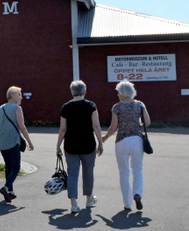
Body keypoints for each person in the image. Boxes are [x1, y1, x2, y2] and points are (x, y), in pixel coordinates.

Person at [102, 80, 151, 211]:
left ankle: (127, 204)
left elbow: (113, 127)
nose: (117, 95)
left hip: (121, 141)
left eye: (118, 92)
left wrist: (105, 138)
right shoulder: (140, 105)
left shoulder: (117, 107)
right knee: (138, 170)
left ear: (122, 94)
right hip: (137, 140)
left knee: (124, 172)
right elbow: (147, 121)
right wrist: (138, 126)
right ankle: (137, 194)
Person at [56, 80, 104, 213]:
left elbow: (63, 128)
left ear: (72, 92)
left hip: (70, 145)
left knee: (72, 173)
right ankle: (89, 200)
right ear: (84, 91)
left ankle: (74, 204)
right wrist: (100, 142)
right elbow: (96, 125)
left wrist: (58, 145)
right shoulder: (91, 105)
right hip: (88, 144)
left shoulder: (66, 107)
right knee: (88, 172)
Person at [0, 86, 34, 202]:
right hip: (13, 141)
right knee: (16, 167)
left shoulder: (1, 108)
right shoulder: (17, 108)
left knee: (8, 166)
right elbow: (22, 127)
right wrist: (30, 142)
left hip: (1, 141)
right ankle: (5, 187)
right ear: (13, 96)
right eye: (19, 94)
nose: (21, 97)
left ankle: (10, 192)